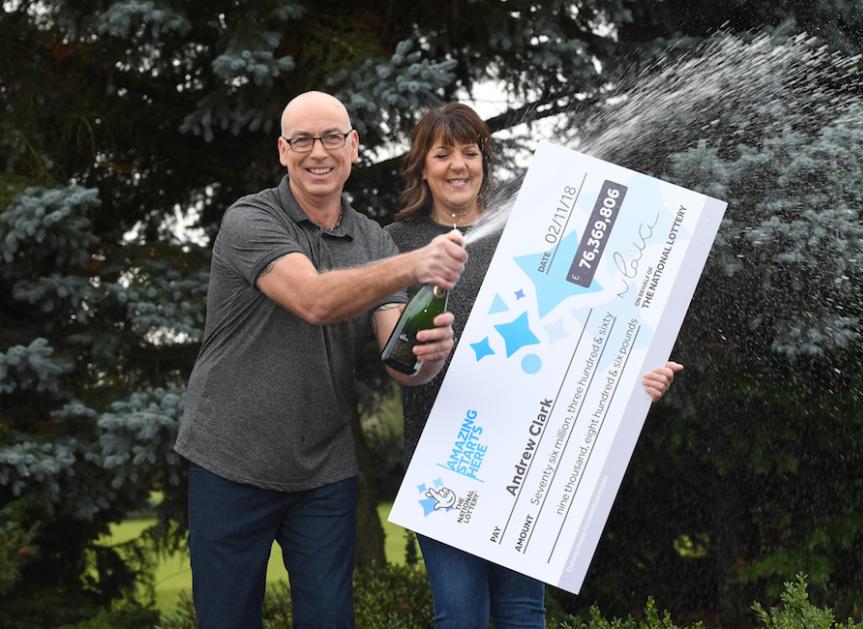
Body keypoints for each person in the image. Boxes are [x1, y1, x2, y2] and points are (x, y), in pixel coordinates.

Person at [174, 91, 468, 629]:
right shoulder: (250, 219)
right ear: (282, 151)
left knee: (330, 619)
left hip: (322, 469)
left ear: (354, 147)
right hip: (230, 458)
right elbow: (314, 300)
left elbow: (399, 361)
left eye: (332, 137)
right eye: (302, 140)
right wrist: (413, 264)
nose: (319, 152)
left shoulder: (373, 241)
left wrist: (428, 355)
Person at [386, 102, 683, 628]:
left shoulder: (528, 230)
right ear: (421, 165)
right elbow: (394, 353)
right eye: (443, 153)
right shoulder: (399, 243)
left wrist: (638, 379)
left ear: (485, 161)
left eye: (470, 152)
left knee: (524, 613)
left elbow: (582, 329)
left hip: (526, 453)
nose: (458, 165)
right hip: (442, 460)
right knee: (460, 615)